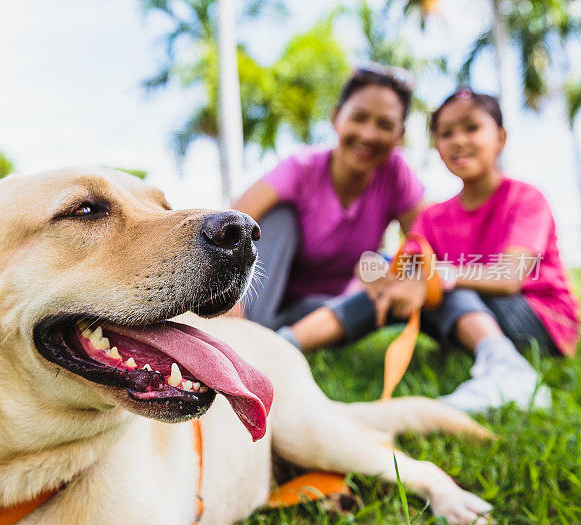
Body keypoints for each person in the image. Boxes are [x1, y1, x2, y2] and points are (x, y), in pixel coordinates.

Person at [283, 89, 580, 413]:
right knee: (413, 279)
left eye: (471, 128)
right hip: (470, 313)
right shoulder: (434, 217)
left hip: (537, 321)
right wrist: (372, 271)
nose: (458, 141)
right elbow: (398, 266)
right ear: (437, 146)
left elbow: (510, 276)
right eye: (446, 133)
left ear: (501, 137)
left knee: (433, 280)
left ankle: (508, 369)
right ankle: (283, 345)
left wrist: (433, 276)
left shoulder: (525, 199)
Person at [231, 65, 427, 337]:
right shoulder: (302, 168)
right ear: (336, 118)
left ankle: (286, 338)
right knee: (279, 217)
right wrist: (232, 307)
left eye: (384, 125)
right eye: (359, 118)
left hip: (317, 310)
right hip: (256, 303)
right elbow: (230, 221)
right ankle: (247, 331)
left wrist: (411, 279)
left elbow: (427, 243)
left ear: (400, 135)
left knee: (386, 280)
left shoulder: (396, 174)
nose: (369, 135)